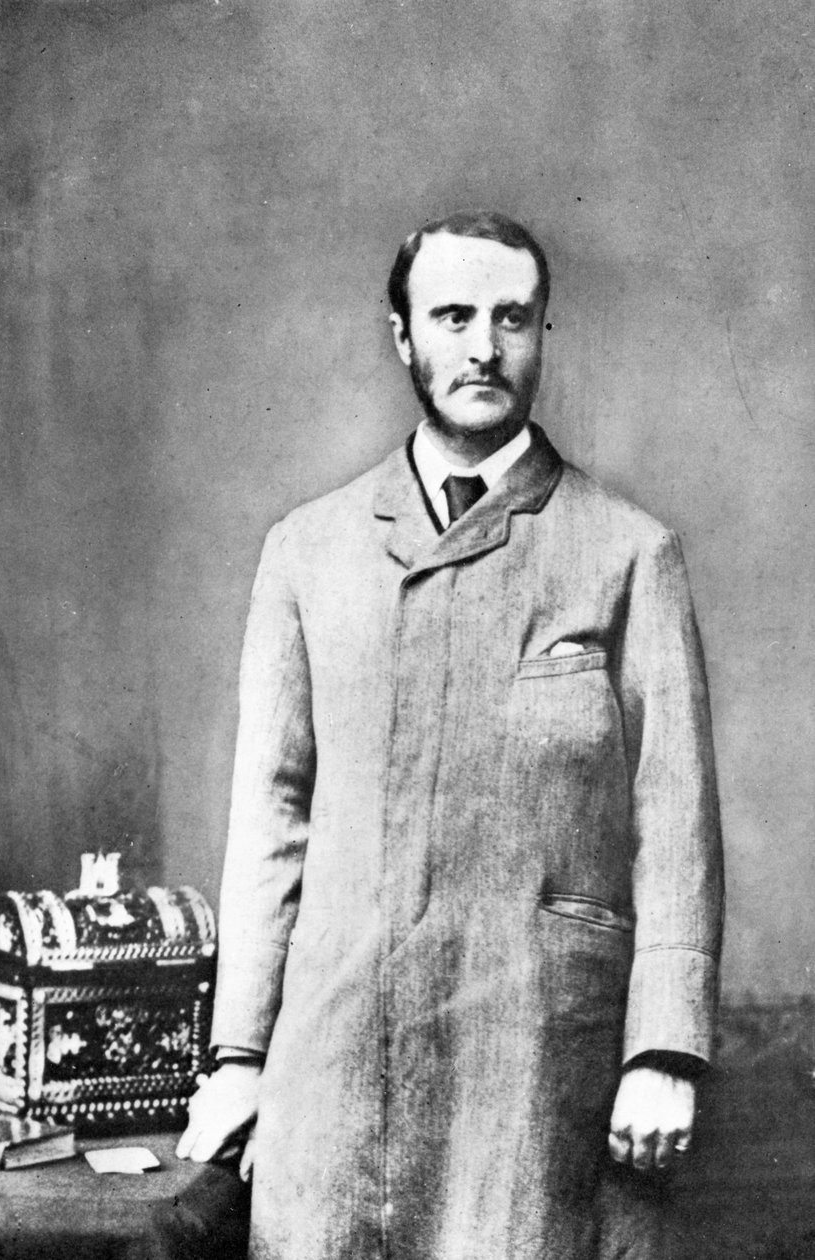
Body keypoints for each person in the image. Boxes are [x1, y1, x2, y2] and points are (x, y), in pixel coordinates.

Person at [177, 210, 724, 1260]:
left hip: (536, 1071)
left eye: (511, 318)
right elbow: (271, 818)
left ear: (540, 333)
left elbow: (673, 822)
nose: (483, 346)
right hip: (338, 1064)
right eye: (453, 316)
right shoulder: (307, 551)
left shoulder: (629, 553)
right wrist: (240, 1054)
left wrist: (664, 1051)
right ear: (401, 335)